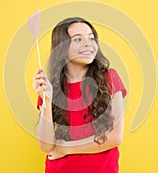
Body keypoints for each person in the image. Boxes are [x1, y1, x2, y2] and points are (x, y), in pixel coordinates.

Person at [33, 17, 127, 173]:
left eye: (91, 38)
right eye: (77, 39)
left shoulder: (110, 78)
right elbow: (46, 146)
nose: (88, 44)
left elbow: (115, 138)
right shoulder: (51, 87)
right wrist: (47, 99)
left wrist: (65, 148)